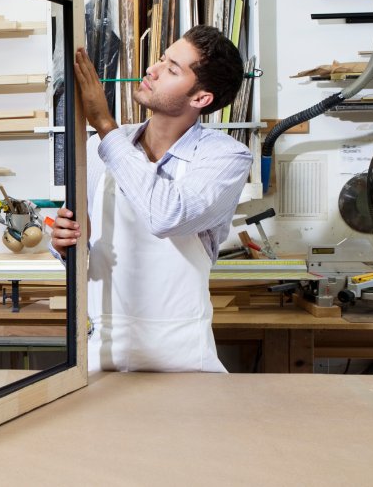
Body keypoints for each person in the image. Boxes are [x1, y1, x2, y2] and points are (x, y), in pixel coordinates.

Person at [51, 25, 251, 373]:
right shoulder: (97, 151)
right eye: (161, 59)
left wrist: (106, 128)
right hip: (104, 357)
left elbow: (166, 216)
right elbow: (85, 250)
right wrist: (64, 245)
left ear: (200, 99)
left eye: (172, 69)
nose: (152, 71)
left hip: (185, 364)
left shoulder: (226, 158)